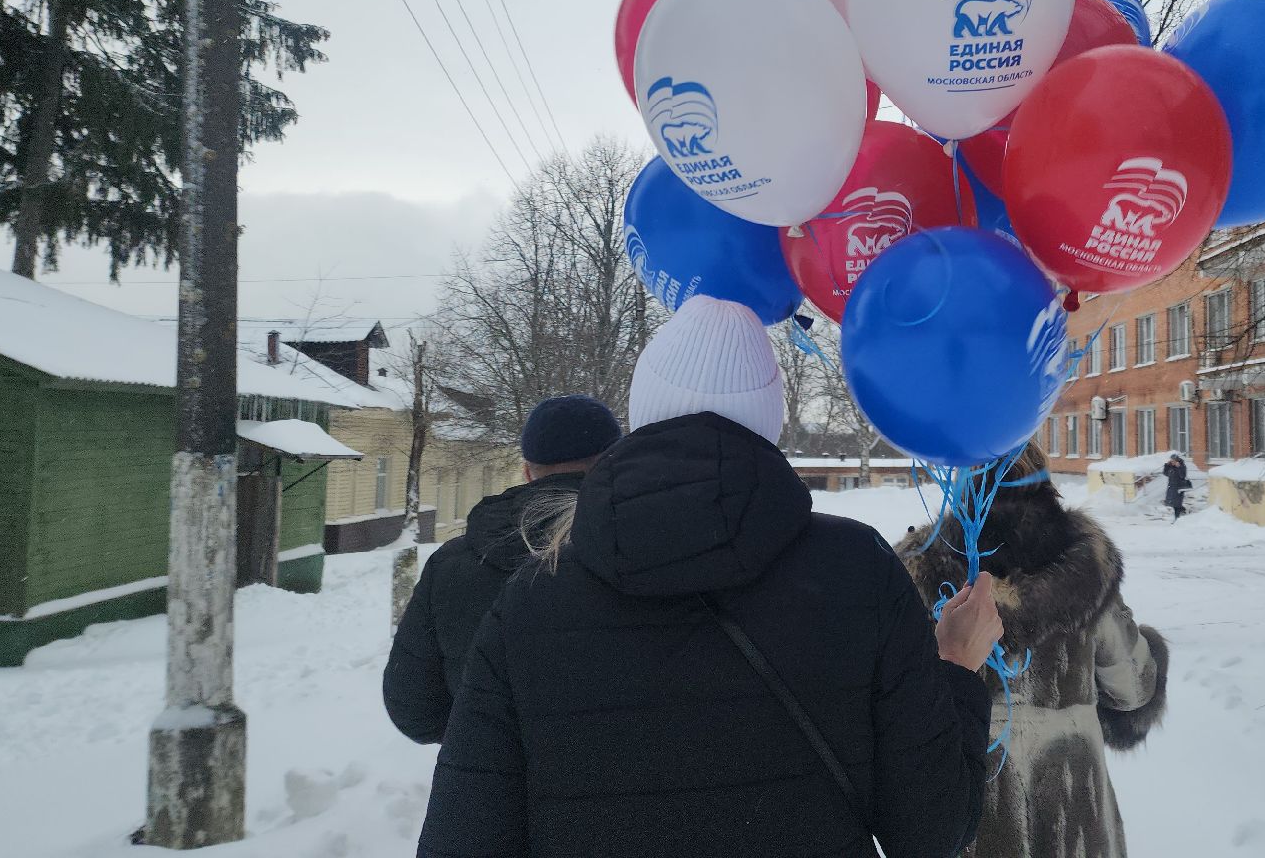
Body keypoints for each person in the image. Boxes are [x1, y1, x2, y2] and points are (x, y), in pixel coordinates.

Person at [416, 296, 1000, 858]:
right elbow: (931, 829)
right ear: (769, 419)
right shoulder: (858, 567)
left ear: (642, 413)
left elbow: (463, 833)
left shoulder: (533, 595)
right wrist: (954, 666)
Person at [897, 443, 1169, 858]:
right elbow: (1134, 689)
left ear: (964, 483)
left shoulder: (919, 572)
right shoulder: (1086, 570)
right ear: (1045, 484)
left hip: (965, 812)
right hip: (1075, 820)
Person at [383, 394, 624, 745]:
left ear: (527, 471)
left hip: (494, 788)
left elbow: (413, 709)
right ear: (613, 462)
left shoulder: (451, 566)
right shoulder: (650, 552)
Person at [1162, 453, 1191, 521]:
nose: (1172, 462)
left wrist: (1179, 467)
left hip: (1179, 488)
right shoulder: (1171, 466)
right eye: (1171, 460)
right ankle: (1182, 511)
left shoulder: (1182, 466)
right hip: (1172, 487)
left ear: (1177, 460)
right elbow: (1165, 473)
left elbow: (1182, 476)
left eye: (1173, 460)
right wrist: (1166, 465)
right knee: (1173, 503)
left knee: (1177, 504)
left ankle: (1177, 519)